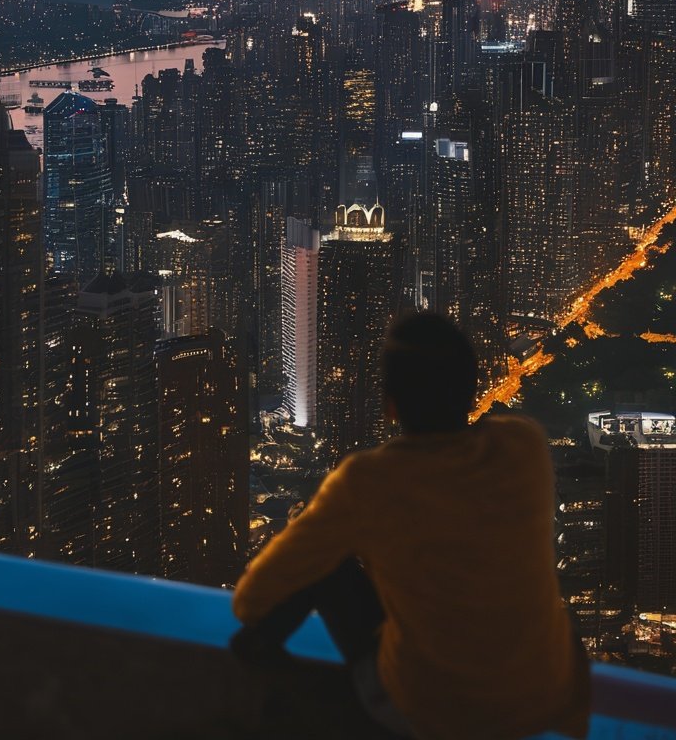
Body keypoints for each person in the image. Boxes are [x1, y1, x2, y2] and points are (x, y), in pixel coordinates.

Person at [231, 314, 589, 740]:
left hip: (432, 713)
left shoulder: (369, 480)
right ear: (472, 388)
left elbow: (251, 602)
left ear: (390, 404)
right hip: (545, 696)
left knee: (325, 569)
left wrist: (311, 531)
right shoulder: (523, 445)